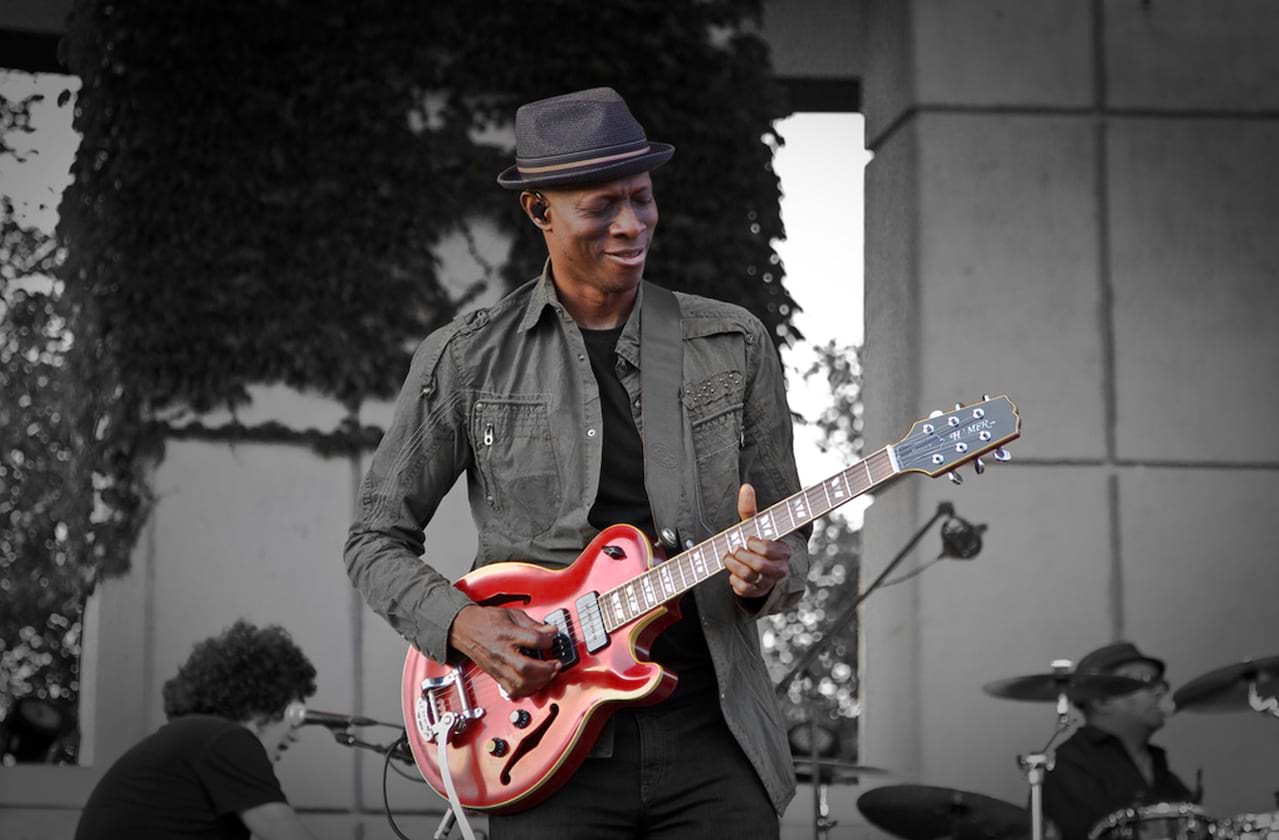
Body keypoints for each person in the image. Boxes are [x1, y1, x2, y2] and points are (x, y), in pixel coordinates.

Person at [345, 87, 811, 839]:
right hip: (538, 741)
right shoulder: (465, 359)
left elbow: (789, 537)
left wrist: (769, 574)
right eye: (602, 207)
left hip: (712, 730)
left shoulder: (731, 342)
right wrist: (462, 624)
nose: (631, 225)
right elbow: (373, 539)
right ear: (539, 211)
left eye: (642, 199)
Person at [75, 620, 318, 840]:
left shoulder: (195, 741)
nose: (295, 733)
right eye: (293, 710)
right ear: (268, 699)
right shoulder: (227, 739)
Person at [1042, 641, 1194, 840]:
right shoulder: (1069, 764)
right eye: (1144, 681)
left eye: (1160, 683)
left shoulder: (1163, 773)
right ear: (1101, 701)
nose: (1160, 691)